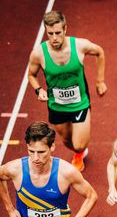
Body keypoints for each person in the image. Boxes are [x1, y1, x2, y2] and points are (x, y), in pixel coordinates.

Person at [28, 11, 107, 172]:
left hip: (80, 102)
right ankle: (77, 151)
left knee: (78, 144)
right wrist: (38, 89)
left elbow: (99, 52)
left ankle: (79, 153)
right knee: (65, 140)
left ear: (65, 29)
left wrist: (100, 81)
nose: (54, 38)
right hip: (57, 105)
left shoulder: (79, 45)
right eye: (50, 34)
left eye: (58, 33)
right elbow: (31, 75)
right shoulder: (39, 53)